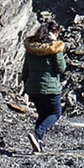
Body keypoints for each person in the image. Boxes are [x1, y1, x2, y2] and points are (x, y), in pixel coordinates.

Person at [21, 20, 66, 154]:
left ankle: (38, 143)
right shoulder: (53, 49)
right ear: (54, 33)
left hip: (32, 87)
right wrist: (58, 48)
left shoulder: (31, 48)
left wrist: (26, 87)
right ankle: (37, 134)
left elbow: (25, 69)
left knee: (43, 114)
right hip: (49, 87)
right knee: (55, 113)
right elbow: (60, 68)